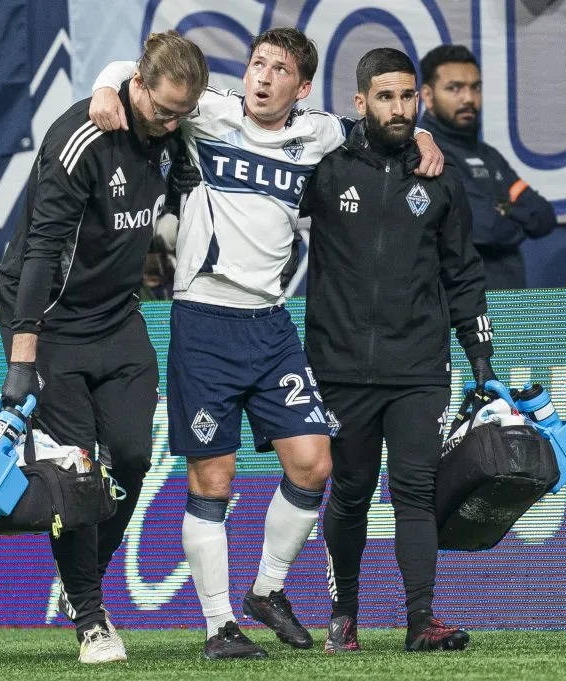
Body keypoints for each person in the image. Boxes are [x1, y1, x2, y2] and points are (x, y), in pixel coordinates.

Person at [88, 28, 445, 659]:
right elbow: (131, 67)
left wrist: (423, 133)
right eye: (257, 63)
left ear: (301, 87)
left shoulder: (321, 133)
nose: (262, 77)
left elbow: (383, 124)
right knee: (214, 479)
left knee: (314, 464)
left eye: (279, 70)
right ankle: (219, 626)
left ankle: (267, 590)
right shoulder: (209, 110)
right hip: (203, 318)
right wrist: (102, 90)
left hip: (271, 324)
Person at [0, 31, 208, 664]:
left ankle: (84, 574)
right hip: (50, 320)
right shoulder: (81, 138)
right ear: (136, 85)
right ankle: (91, 618)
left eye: (181, 114)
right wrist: (21, 359)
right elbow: (38, 252)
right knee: (75, 471)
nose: (170, 123)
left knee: (135, 457)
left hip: (117, 319)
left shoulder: (173, 131)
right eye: (161, 110)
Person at [300, 48, 496, 653]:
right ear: (360, 103)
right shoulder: (324, 167)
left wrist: (480, 357)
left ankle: (421, 622)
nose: (399, 108)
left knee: (414, 490)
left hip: (418, 367)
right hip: (340, 366)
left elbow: (462, 271)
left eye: (408, 96)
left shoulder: (439, 175)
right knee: (352, 491)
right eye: (385, 96)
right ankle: (344, 616)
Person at [418, 44, 556, 290]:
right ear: (428, 96)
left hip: (509, 309)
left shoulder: (490, 156)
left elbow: (543, 217)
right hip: (457, 313)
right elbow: (484, 227)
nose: (468, 98)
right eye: (454, 88)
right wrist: (510, 211)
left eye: (475, 87)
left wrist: (502, 210)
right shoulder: (425, 152)